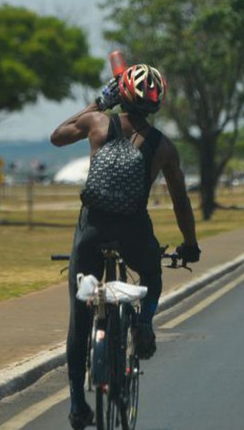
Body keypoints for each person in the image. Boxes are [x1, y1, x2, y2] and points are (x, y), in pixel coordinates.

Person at [51, 63, 201, 429]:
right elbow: (181, 201)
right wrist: (190, 244)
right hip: (134, 230)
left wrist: (98, 103)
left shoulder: (98, 124)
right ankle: (144, 322)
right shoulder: (163, 146)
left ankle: (77, 405)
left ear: (122, 95)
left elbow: (57, 136)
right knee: (150, 271)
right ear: (157, 103)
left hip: (92, 229)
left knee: (80, 314)